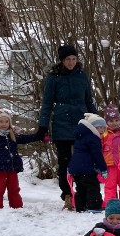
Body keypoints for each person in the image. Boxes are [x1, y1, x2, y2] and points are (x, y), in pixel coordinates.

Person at [38, 44, 97, 211]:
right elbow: (47, 103)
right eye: (68, 59)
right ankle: (67, 195)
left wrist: (97, 121)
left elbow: (89, 101)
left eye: (73, 59)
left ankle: (82, 195)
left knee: (82, 162)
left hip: (81, 124)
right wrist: (43, 126)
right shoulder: (54, 77)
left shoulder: (82, 76)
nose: (71, 62)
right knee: (64, 163)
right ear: (62, 61)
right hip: (61, 124)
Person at [0, 107, 42, 209]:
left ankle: (17, 207)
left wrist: (39, 136)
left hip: (12, 168)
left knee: (14, 189)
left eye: (6, 121)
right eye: (1, 121)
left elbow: (26, 138)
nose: (4, 124)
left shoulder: (12, 135)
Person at [68, 113, 109, 213]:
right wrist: (103, 168)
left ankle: (80, 207)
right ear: (93, 127)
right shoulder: (93, 138)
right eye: (100, 127)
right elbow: (97, 155)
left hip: (76, 169)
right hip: (87, 168)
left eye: (103, 128)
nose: (102, 130)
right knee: (92, 187)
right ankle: (94, 206)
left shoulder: (81, 136)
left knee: (81, 188)